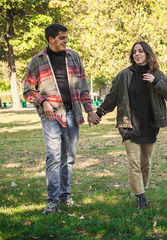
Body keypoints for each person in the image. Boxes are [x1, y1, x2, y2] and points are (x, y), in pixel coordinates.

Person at [23, 23, 101, 214]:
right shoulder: (37, 61)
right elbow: (28, 91)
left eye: (66, 37)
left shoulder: (73, 57)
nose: (66, 41)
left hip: (73, 113)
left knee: (69, 158)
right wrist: (44, 102)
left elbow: (83, 86)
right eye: (62, 38)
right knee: (54, 157)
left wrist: (89, 110)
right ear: (51, 39)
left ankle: (65, 198)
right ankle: (52, 201)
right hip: (52, 116)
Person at [96, 41, 167, 210]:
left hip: (149, 124)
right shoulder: (124, 75)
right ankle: (141, 199)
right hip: (128, 125)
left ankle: (141, 190)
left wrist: (155, 81)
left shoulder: (157, 75)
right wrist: (99, 113)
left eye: (140, 51)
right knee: (133, 162)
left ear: (148, 54)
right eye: (134, 52)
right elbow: (112, 97)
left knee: (145, 163)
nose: (137, 54)